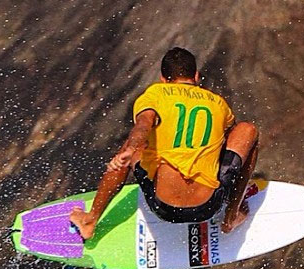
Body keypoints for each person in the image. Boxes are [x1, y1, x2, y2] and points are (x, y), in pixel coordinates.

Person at [70, 47, 259, 240]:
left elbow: (143, 125)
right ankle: (231, 215)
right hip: (208, 206)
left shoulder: (157, 94)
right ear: (195, 76)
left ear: (163, 78)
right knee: (247, 131)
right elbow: (232, 139)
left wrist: (131, 150)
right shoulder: (218, 103)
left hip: (164, 208)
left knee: (132, 145)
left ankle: (90, 220)